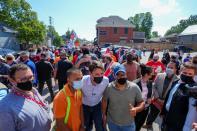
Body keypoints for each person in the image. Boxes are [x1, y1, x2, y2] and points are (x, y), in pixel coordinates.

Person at [0, 64, 53, 131]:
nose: (29, 81)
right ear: (12, 80)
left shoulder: (33, 90)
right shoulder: (5, 108)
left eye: (31, 77)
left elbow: (44, 105)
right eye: (24, 79)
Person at [102, 64, 144, 131]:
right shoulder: (109, 88)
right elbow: (104, 100)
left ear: (126, 74)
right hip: (113, 124)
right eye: (117, 75)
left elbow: (141, 102)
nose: (120, 77)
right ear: (114, 76)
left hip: (129, 124)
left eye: (122, 74)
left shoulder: (134, 87)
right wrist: (103, 115)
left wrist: (136, 109)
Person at [144, 61, 179, 130]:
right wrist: (157, 98)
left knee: (164, 118)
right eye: (168, 67)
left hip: (166, 103)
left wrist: (164, 101)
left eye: (171, 68)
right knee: (152, 114)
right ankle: (148, 124)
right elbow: (154, 86)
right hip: (156, 100)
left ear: (176, 69)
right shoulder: (160, 75)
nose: (169, 69)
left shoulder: (178, 80)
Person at [161, 62, 196, 131]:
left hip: (177, 125)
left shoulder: (193, 89)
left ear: (194, 75)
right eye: (185, 73)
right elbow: (169, 98)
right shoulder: (176, 82)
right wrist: (163, 112)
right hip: (166, 118)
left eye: (190, 74)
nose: (187, 75)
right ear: (180, 71)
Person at [81, 61, 109, 131]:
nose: (100, 76)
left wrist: (104, 114)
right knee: (86, 126)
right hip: (84, 107)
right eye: (96, 74)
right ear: (90, 73)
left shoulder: (106, 81)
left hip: (97, 106)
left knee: (99, 126)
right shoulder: (82, 80)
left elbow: (104, 98)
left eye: (102, 74)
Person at [133, 64, 153, 131]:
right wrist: (145, 102)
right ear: (146, 74)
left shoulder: (150, 82)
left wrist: (150, 99)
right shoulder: (135, 84)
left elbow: (149, 94)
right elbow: (132, 99)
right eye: (151, 73)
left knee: (140, 124)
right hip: (137, 109)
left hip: (146, 109)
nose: (152, 74)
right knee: (134, 124)